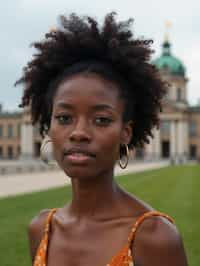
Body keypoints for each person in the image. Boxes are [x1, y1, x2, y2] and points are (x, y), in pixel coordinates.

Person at [16, 12, 188, 266]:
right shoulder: (40, 229)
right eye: (64, 118)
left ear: (126, 132)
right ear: (48, 124)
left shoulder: (155, 237)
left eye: (101, 119)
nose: (78, 133)